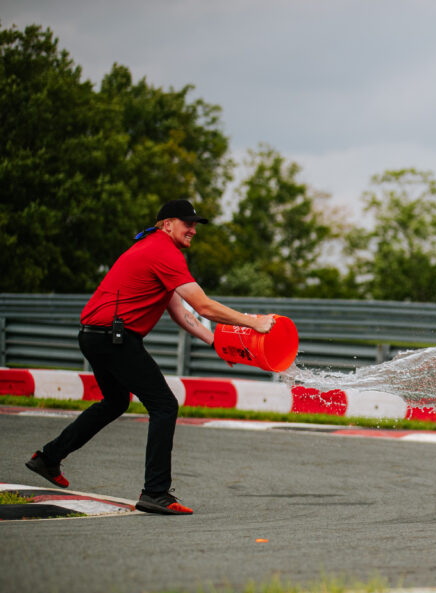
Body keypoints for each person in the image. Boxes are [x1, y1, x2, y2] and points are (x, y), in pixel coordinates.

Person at [24, 199, 276, 515]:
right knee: (165, 405)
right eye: (188, 223)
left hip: (94, 336)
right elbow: (204, 306)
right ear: (167, 224)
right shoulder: (164, 252)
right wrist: (255, 322)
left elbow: (181, 313)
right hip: (115, 339)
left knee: (116, 402)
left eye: (195, 224)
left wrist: (215, 343)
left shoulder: (151, 249)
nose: (194, 230)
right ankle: (155, 492)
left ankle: (48, 458)